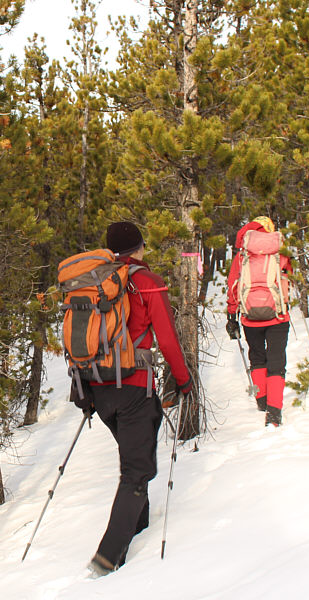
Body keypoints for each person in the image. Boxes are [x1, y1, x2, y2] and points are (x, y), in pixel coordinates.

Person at [70, 221, 193, 576]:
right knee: (137, 471)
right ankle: (108, 558)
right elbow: (167, 339)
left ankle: (139, 526)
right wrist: (183, 380)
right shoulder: (146, 282)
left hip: (97, 388)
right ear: (140, 247)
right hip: (134, 385)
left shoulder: (97, 281)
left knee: (134, 457)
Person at [225, 216, 292, 427]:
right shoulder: (280, 252)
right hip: (278, 316)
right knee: (277, 360)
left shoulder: (242, 256)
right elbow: (287, 278)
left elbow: (233, 285)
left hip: (250, 317)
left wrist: (231, 315)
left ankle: (261, 401)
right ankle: (274, 413)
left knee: (257, 357)